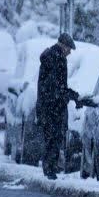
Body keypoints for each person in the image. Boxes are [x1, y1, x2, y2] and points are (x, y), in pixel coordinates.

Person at [36, 33, 80, 179]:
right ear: (63, 45)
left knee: (53, 137)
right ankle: (49, 169)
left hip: (50, 106)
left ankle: (50, 168)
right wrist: (69, 95)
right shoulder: (55, 58)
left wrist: (70, 94)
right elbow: (54, 87)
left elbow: (58, 86)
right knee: (53, 137)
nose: (70, 52)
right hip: (51, 107)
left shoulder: (55, 57)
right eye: (69, 49)